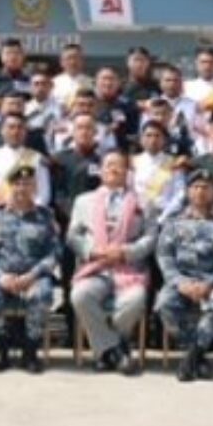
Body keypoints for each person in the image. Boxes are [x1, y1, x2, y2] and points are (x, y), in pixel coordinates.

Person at [68, 151, 155, 375]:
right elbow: (73, 236)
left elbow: (150, 237)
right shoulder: (83, 200)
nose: (113, 169)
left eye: (119, 165)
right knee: (80, 296)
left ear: (127, 172)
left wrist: (126, 252)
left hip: (127, 269)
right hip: (95, 269)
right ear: (101, 170)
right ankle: (117, 350)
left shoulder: (143, 202)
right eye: (108, 165)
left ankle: (105, 351)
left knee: (137, 298)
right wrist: (92, 251)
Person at [155, 169, 213, 382]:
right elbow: (164, 256)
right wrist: (180, 283)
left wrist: (210, 284)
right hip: (182, 281)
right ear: (188, 192)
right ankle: (198, 352)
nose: (201, 192)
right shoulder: (174, 220)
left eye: (206, 187)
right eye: (196, 187)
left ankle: (191, 357)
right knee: (165, 303)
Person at [0, 165, 61, 374]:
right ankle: (0, 349)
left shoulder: (45, 216)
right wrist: (0, 275)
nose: (21, 189)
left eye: (27, 184)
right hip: (3, 274)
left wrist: (32, 275)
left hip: (34, 276)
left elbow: (54, 252)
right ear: (9, 186)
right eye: (17, 184)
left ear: (34, 188)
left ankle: (30, 351)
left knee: (43, 294)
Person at [0, 112, 51, 216]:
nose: (15, 131)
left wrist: (32, 211)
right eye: (11, 127)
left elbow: (44, 192)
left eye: (20, 127)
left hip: (30, 217)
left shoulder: (36, 158)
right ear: (2, 131)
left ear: (25, 132)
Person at [131, 121, 186, 220]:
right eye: (148, 135)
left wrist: (164, 215)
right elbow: (130, 191)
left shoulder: (173, 163)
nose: (153, 140)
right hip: (138, 216)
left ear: (164, 140)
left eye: (157, 136)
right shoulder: (133, 163)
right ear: (141, 139)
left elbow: (179, 194)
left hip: (165, 215)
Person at [94, 66, 140, 152]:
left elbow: (133, 134)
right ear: (96, 81)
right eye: (104, 79)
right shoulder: (88, 103)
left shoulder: (128, 105)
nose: (108, 83)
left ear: (118, 83)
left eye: (111, 79)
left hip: (120, 152)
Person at [50, 43, 91, 114]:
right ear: (61, 62)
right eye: (69, 58)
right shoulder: (52, 83)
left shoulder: (91, 83)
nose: (73, 62)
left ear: (82, 61)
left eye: (76, 58)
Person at [184, 47, 213, 114]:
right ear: (196, 63)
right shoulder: (185, 87)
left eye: (211, 62)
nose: (207, 66)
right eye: (203, 62)